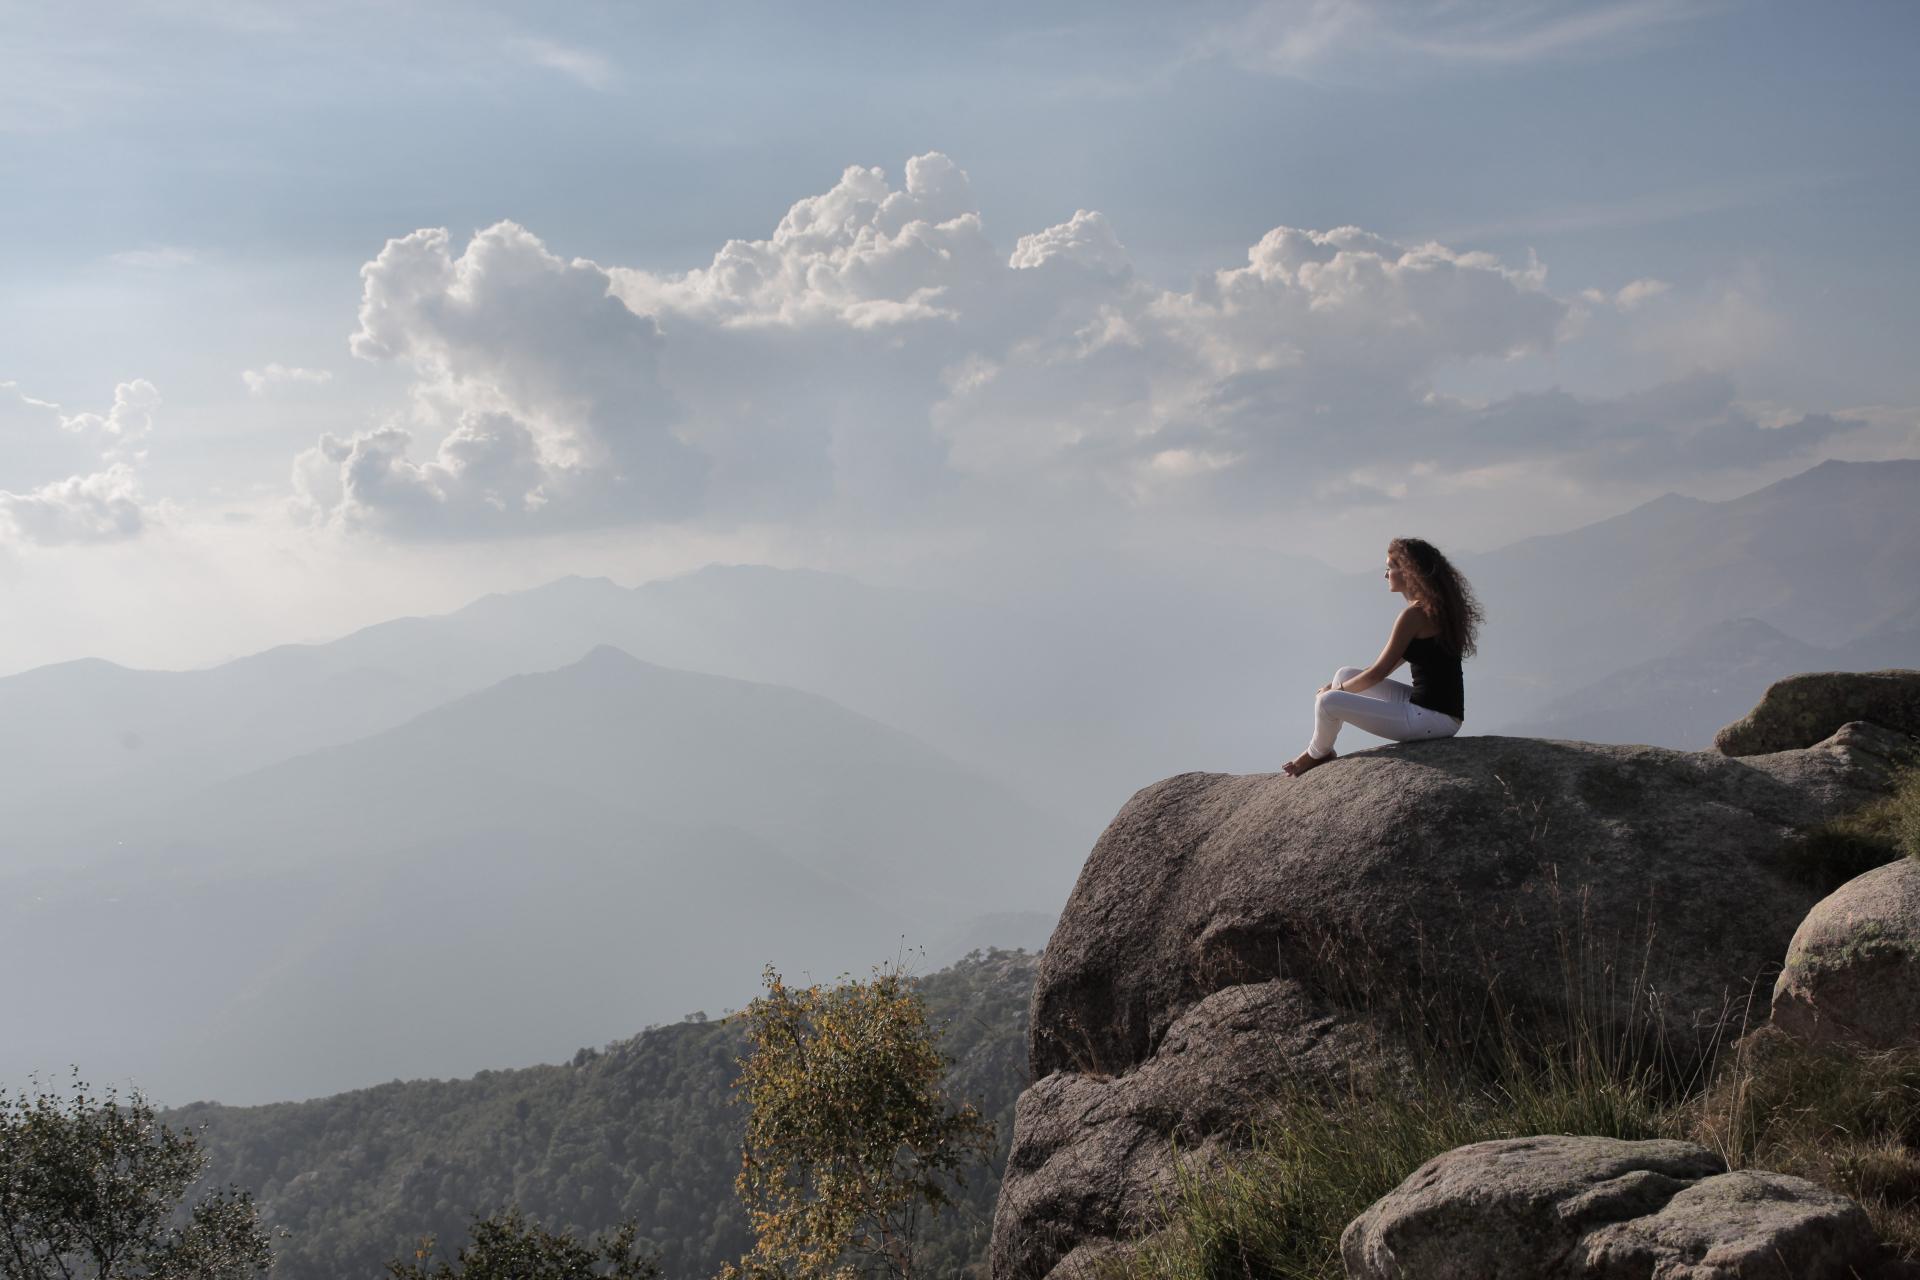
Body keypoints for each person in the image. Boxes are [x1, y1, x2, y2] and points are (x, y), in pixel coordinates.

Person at [1282, 536, 1483, 778]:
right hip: (1436, 712)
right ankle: (1323, 744)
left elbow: (1379, 673)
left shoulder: (1414, 616)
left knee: (1327, 702)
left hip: (1431, 719)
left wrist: (1336, 692)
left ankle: (1317, 752)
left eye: (1390, 568)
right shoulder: (1433, 608)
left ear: (1408, 572)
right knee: (1343, 675)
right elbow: (1383, 667)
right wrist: (1338, 685)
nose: (1385, 575)